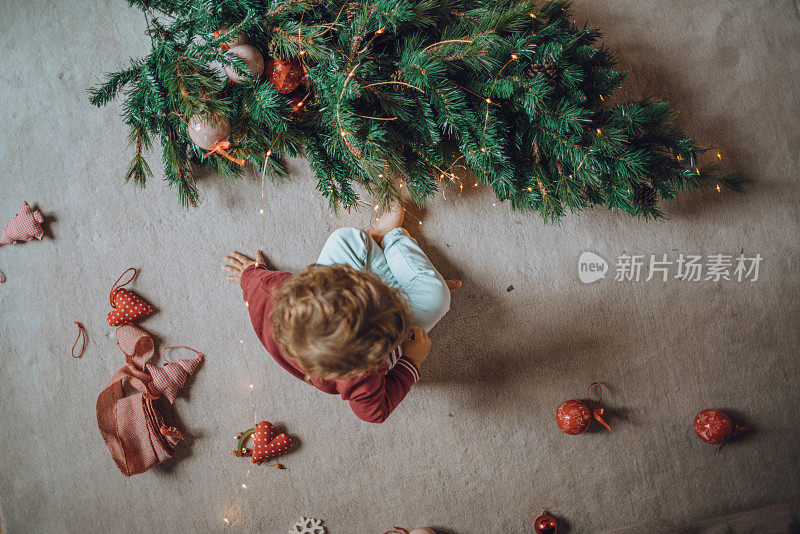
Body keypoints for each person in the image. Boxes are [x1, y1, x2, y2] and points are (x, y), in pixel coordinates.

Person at [223, 206, 460, 423]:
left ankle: (400, 268)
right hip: (389, 336)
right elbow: (375, 413)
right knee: (436, 298)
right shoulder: (359, 376)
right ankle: (394, 240)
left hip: (341, 293)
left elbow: (259, 286)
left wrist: (249, 273)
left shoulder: (280, 295)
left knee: (345, 238)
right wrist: (411, 360)